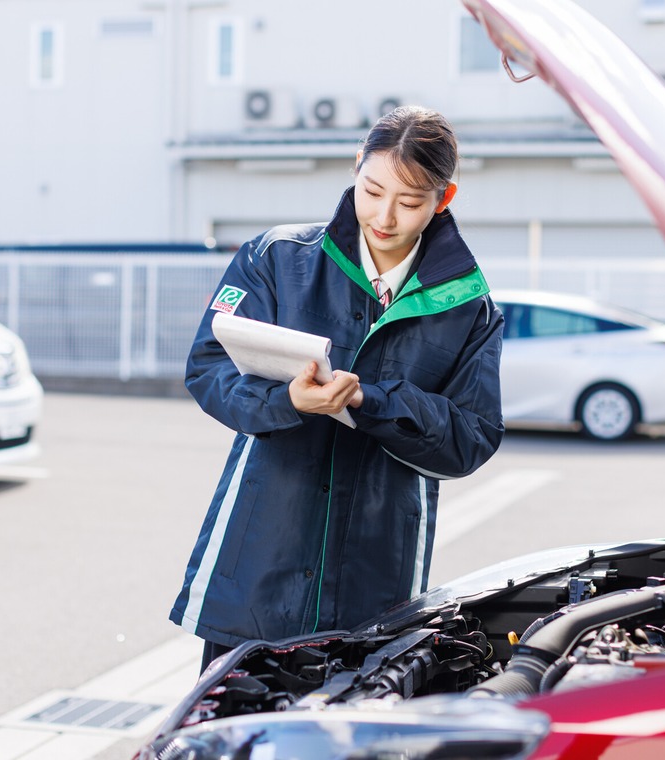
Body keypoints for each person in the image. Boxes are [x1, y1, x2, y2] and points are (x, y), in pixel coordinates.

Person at [169, 105, 505, 671]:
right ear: (356, 167)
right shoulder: (277, 258)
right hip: (259, 560)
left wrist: (371, 400)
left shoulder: (467, 306)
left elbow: (471, 438)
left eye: (410, 201)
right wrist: (286, 401)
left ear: (443, 200)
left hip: (376, 577)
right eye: (372, 190)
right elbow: (208, 367)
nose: (385, 216)